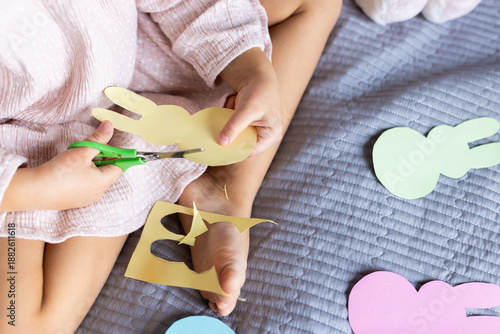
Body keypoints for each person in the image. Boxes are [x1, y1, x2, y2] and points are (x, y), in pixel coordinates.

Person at [0, 0, 341, 332]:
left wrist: (250, 69)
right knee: (21, 323)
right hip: (28, 148)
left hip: (138, 40)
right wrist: (29, 189)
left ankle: (224, 188)